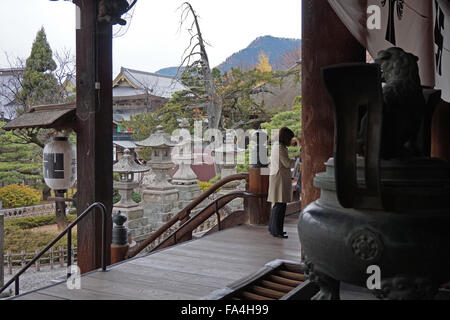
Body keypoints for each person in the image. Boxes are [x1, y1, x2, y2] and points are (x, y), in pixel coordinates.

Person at [268, 127, 298, 239]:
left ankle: (273, 229)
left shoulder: (278, 146)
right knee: (280, 205)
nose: (291, 140)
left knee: (278, 205)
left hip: (278, 177)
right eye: (290, 138)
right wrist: (297, 161)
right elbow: (286, 163)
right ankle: (277, 231)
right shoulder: (280, 148)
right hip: (279, 178)